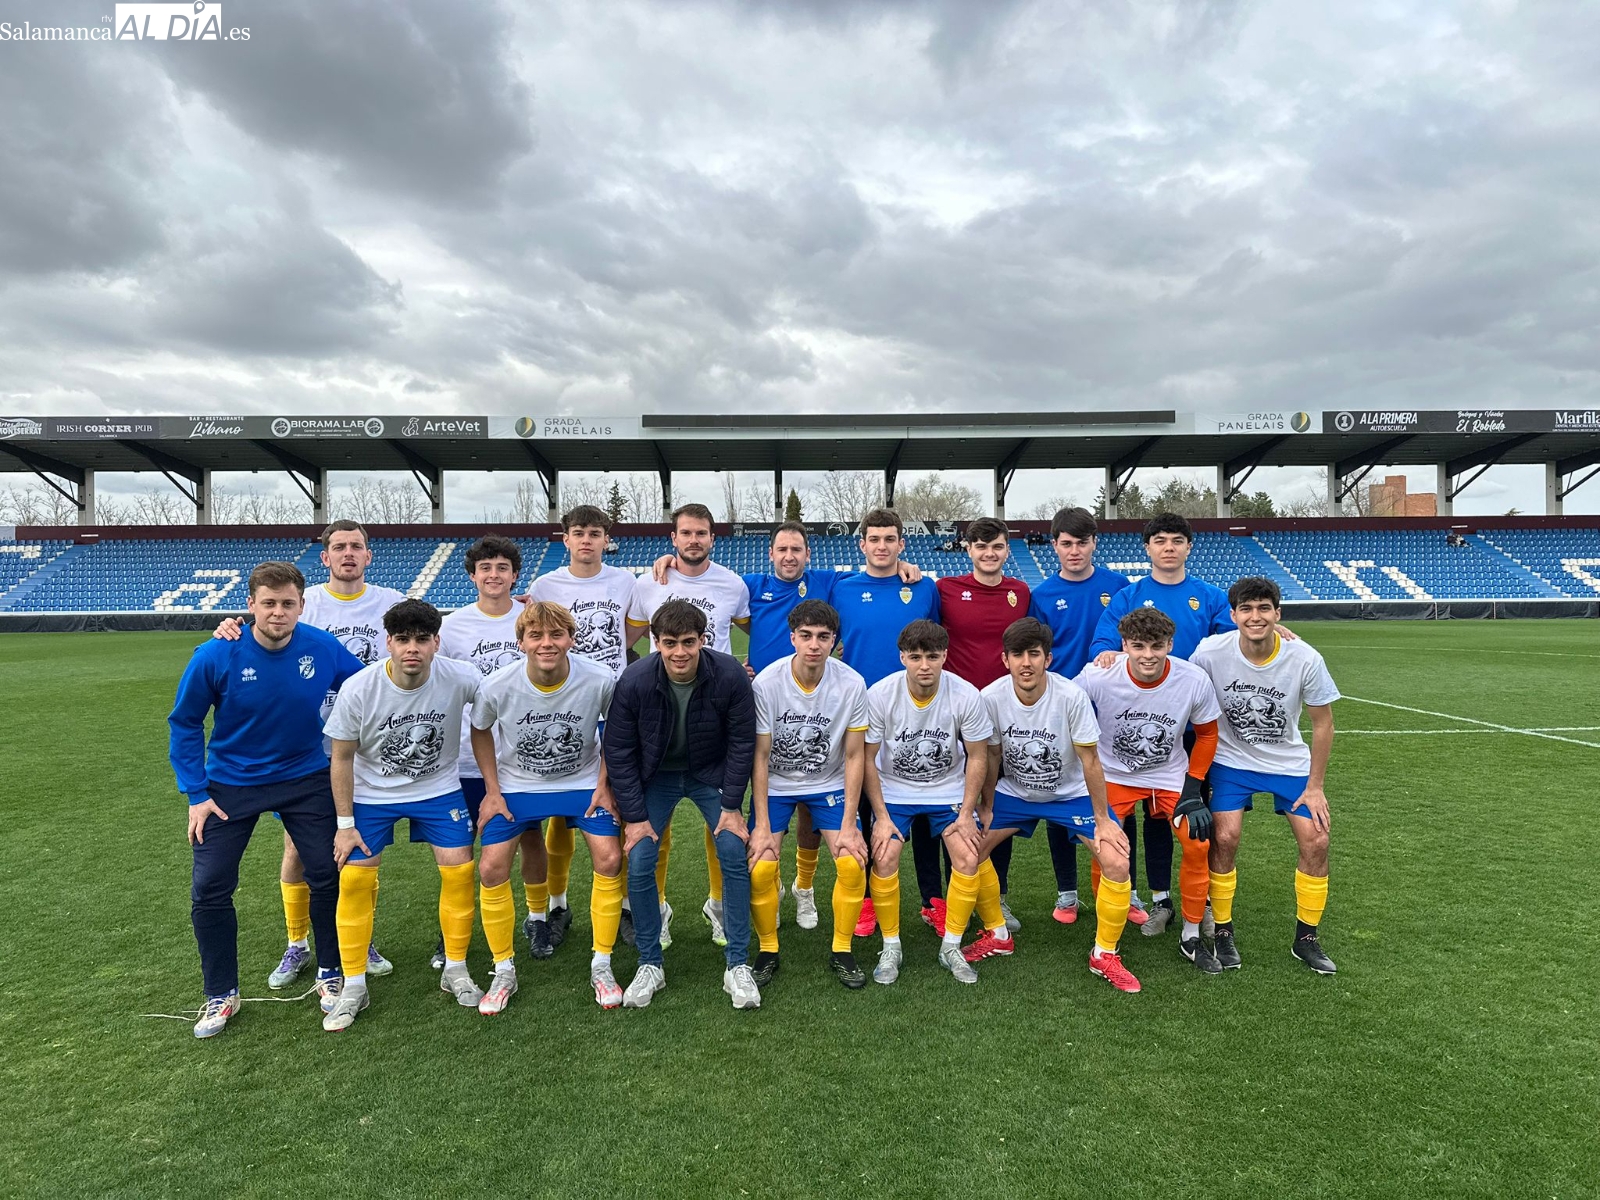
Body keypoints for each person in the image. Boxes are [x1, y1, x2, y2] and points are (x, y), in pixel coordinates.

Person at [649, 519, 921, 932]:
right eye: (782, 550)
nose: (790, 557)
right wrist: (672, 560)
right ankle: (755, 891)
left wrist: (906, 566)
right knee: (741, 789)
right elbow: (712, 600)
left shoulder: (830, 584)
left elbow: (876, 569)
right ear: (770, 554)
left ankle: (804, 888)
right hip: (760, 700)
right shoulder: (749, 587)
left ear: (808, 555)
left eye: (797, 550)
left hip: (823, 702)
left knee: (813, 809)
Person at [169, 562, 365, 1037]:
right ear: (251, 605)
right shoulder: (216, 654)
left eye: (288, 604)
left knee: (327, 871)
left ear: (301, 605)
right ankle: (221, 994)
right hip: (229, 785)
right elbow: (185, 722)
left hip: (305, 777)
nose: (278, 613)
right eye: (269, 603)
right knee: (210, 888)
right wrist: (196, 794)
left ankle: (329, 972)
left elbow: (367, 689)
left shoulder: (322, 646)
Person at [212, 519, 403, 987]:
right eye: (339, 547)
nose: (348, 554)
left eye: (357, 546)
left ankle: (355, 938)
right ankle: (297, 943)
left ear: (368, 554)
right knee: (298, 846)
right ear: (325, 557)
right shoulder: (304, 601)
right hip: (308, 748)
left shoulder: (392, 602)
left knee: (357, 847)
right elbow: (260, 631)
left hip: (368, 741)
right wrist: (227, 626)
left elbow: (414, 646)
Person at [320, 600, 486, 1032]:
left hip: (438, 790)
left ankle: (455, 969)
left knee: (459, 872)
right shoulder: (360, 687)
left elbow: (503, 698)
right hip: (373, 794)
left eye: (422, 639)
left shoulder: (461, 676)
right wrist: (344, 825)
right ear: (388, 643)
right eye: (403, 639)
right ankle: (353, 984)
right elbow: (340, 758)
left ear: (436, 643)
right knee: (354, 879)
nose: (412, 648)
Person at [603, 600, 761, 1010]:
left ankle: (737, 964)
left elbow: (743, 743)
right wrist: (635, 818)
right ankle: (649, 962)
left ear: (702, 640)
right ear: (655, 642)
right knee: (639, 856)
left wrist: (731, 806)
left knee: (731, 848)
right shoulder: (635, 680)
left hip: (710, 771)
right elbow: (618, 750)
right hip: (656, 775)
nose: (679, 652)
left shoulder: (728, 675)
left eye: (688, 642)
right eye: (669, 643)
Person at [470, 601, 627, 1011]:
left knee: (609, 859)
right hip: (519, 786)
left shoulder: (599, 678)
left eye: (556, 634)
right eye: (536, 635)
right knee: (490, 868)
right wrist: (492, 789)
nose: (547, 643)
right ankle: (503, 969)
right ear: (520, 642)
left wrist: (604, 784)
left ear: (571, 639)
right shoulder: (498, 684)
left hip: (582, 783)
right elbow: (480, 729)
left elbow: (614, 731)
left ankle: (602, 963)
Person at [971, 618, 1140, 992]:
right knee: (968, 851)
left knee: (1115, 860)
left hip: (1071, 794)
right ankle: (998, 934)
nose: (1026, 663)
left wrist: (1103, 819)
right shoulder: (991, 697)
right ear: (1005, 659)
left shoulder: (1071, 697)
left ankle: (1104, 954)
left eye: (1034, 654)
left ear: (1048, 658)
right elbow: (993, 757)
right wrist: (985, 807)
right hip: (1015, 793)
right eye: (1018, 655)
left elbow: (1091, 761)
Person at [1088, 512, 1235, 938]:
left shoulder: (1209, 597)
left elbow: (1235, 639)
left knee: (1192, 816)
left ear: (1189, 547)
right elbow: (1102, 646)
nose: (1168, 547)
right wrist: (1115, 659)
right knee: (1145, 820)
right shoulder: (1129, 595)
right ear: (1148, 548)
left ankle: (1200, 903)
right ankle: (1156, 900)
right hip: (1140, 720)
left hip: (1192, 722)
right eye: (1160, 540)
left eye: (1176, 540)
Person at [1190, 577, 1340, 974]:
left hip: (1288, 764)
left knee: (1317, 840)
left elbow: (1323, 724)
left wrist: (1316, 786)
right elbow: (1181, 689)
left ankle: (1306, 937)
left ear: (1278, 613)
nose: (1255, 617)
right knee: (1225, 836)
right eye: (1246, 609)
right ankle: (1222, 929)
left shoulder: (1304, 657)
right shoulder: (1209, 652)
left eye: (1263, 608)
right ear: (1234, 614)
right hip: (1231, 762)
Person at [626, 503, 751, 950]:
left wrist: (753, 670)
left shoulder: (733, 583)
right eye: (686, 533)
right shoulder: (648, 582)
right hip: (659, 715)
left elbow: (761, 625)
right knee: (651, 838)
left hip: (711, 715)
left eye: (702, 533)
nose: (694, 540)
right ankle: (656, 909)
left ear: (712, 539)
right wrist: (630, 681)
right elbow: (629, 638)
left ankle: (718, 905)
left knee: (720, 831)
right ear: (673, 538)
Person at [1076, 608, 1224, 974]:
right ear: (1124, 644)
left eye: (1157, 646)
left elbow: (1207, 734)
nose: (1147, 655)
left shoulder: (1192, 679)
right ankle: (1107, 929)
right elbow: (1063, 705)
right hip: (1114, 774)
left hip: (1170, 775)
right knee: (1106, 847)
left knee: (1198, 843)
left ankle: (1191, 934)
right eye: (1138, 646)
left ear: (1170, 645)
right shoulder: (1099, 674)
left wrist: (1193, 790)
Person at [528, 505, 641, 951]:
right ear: (566, 539)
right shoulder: (545, 585)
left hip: (615, 700)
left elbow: (631, 630)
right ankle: (557, 904)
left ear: (606, 539)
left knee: (620, 801)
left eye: (596, 533)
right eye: (579, 533)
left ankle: (628, 906)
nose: (588, 540)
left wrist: (603, 662)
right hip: (563, 703)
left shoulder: (624, 581)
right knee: (560, 807)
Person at [438, 535, 554, 964]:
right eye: (485, 568)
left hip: (523, 755)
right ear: (472, 575)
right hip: (469, 756)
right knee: (460, 846)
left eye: (502, 568)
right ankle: (455, 925)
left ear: (515, 575)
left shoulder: (532, 617)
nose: (493, 575)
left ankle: (538, 917)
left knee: (530, 838)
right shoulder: (452, 627)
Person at [830, 508, 943, 940]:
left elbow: (937, 645)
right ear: (861, 545)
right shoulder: (841, 589)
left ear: (901, 544)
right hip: (861, 710)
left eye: (889, 539)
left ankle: (933, 900)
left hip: (918, 711)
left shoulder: (924, 588)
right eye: (873, 539)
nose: (881, 546)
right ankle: (865, 901)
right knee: (861, 805)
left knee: (926, 798)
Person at [748, 600, 873, 989]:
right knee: (762, 866)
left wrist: (851, 824)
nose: (814, 644)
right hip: (779, 784)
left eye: (823, 636)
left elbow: (854, 756)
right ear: (792, 638)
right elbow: (761, 754)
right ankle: (768, 950)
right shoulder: (767, 683)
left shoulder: (852, 683)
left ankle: (842, 950)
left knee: (853, 863)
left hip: (829, 783)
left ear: (835, 641)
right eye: (806, 636)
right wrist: (763, 826)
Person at [861, 620, 993, 986]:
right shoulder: (881, 694)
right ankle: (891, 946)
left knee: (967, 856)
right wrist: (882, 817)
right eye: (915, 657)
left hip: (948, 792)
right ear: (902, 656)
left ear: (945, 657)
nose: (924, 665)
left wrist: (967, 813)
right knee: (884, 855)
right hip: (894, 792)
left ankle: (951, 946)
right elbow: (868, 758)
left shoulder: (966, 695)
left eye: (932, 657)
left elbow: (978, 756)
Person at [1026, 506, 1131, 926]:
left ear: (1094, 544)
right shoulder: (1043, 595)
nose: (1074, 551)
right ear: (1055, 546)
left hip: (1114, 706)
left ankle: (1128, 886)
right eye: (1066, 543)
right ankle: (1067, 892)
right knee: (1060, 791)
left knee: (1117, 791)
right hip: (1062, 707)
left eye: (1082, 542)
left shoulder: (1118, 586)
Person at [935, 516, 1030, 936]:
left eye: (997, 547)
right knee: (955, 805)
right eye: (980, 546)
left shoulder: (1020, 592)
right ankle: (952, 893)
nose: (989, 554)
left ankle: (999, 896)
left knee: (996, 803)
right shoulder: (944, 589)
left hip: (1002, 712)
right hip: (954, 712)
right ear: (968, 549)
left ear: (1007, 550)